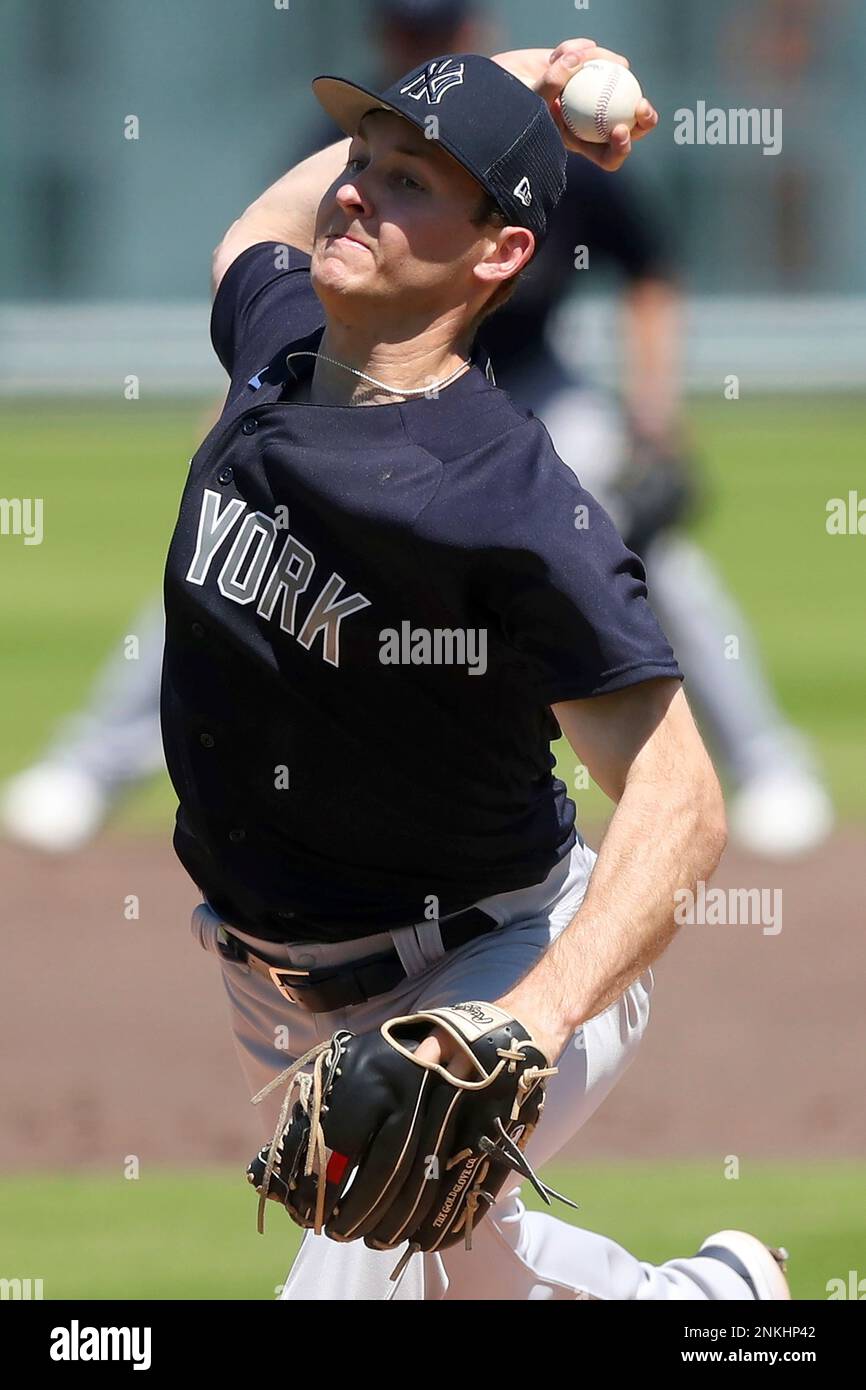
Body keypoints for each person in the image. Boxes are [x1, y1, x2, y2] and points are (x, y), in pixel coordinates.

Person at [175, 38, 790, 1300]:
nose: (354, 191)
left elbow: (680, 802)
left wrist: (527, 1020)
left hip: (480, 966)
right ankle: (714, 1304)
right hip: (274, 992)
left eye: (410, 183)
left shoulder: (508, 499)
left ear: (499, 252)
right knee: (463, 1273)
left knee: (352, 1281)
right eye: (362, 160)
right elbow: (254, 222)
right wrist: (528, 73)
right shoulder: (279, 333)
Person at [0, 0, 831, 861]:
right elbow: (282, 244)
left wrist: (652, 415)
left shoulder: (548, 160)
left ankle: (766, 760)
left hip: (537, 383)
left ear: (467, 32)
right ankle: (91, 763)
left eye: (434, 35)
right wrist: (241, 423)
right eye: (403, 34)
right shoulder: (350, 153)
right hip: (362, 363)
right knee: (239, 536)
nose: (359, 188)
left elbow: (649, 276)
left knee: (641, 552)